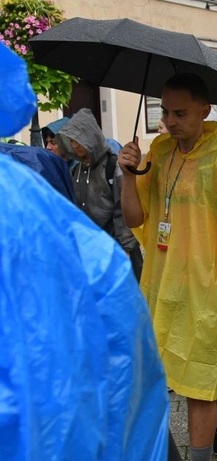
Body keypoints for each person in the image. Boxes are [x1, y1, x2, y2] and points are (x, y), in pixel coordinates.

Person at [0, 41, 169, 460]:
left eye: (73, 142)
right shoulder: (65, 175)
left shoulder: (108, 167)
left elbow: (122, 221)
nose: (67, 148)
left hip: (115, 253)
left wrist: (127, 254)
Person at [118, 73, 217, 460]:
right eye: (165, 112)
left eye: (181, 113)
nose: (171, 121)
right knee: (177, 374)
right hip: (164, 284)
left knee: (198, 384)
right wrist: (127, 176)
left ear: (205, 111)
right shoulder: (158, 152)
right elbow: (134, 217)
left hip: (212, 288)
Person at [57, 108, 143, 280]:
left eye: (78, 141)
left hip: (115, 248)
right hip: (92, 248)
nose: (75, 146)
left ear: (90, 138)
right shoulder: (77, 170)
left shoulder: (113, 167)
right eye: (71, 142)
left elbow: (122, 210)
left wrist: (126, 248)